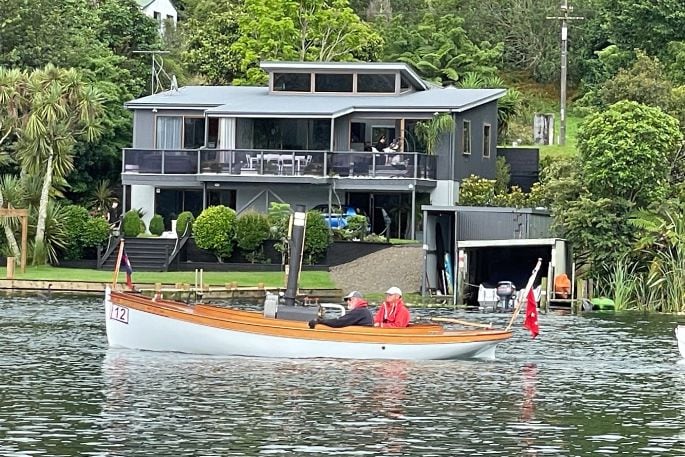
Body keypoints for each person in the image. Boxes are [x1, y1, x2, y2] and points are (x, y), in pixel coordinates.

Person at [308, 291, 373, 329]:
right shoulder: (364, 311)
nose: (347, 302)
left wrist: (319, 321)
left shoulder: (360, 311)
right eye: (346, 300)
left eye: (349, 299)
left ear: (356, 300)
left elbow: (339, 322)